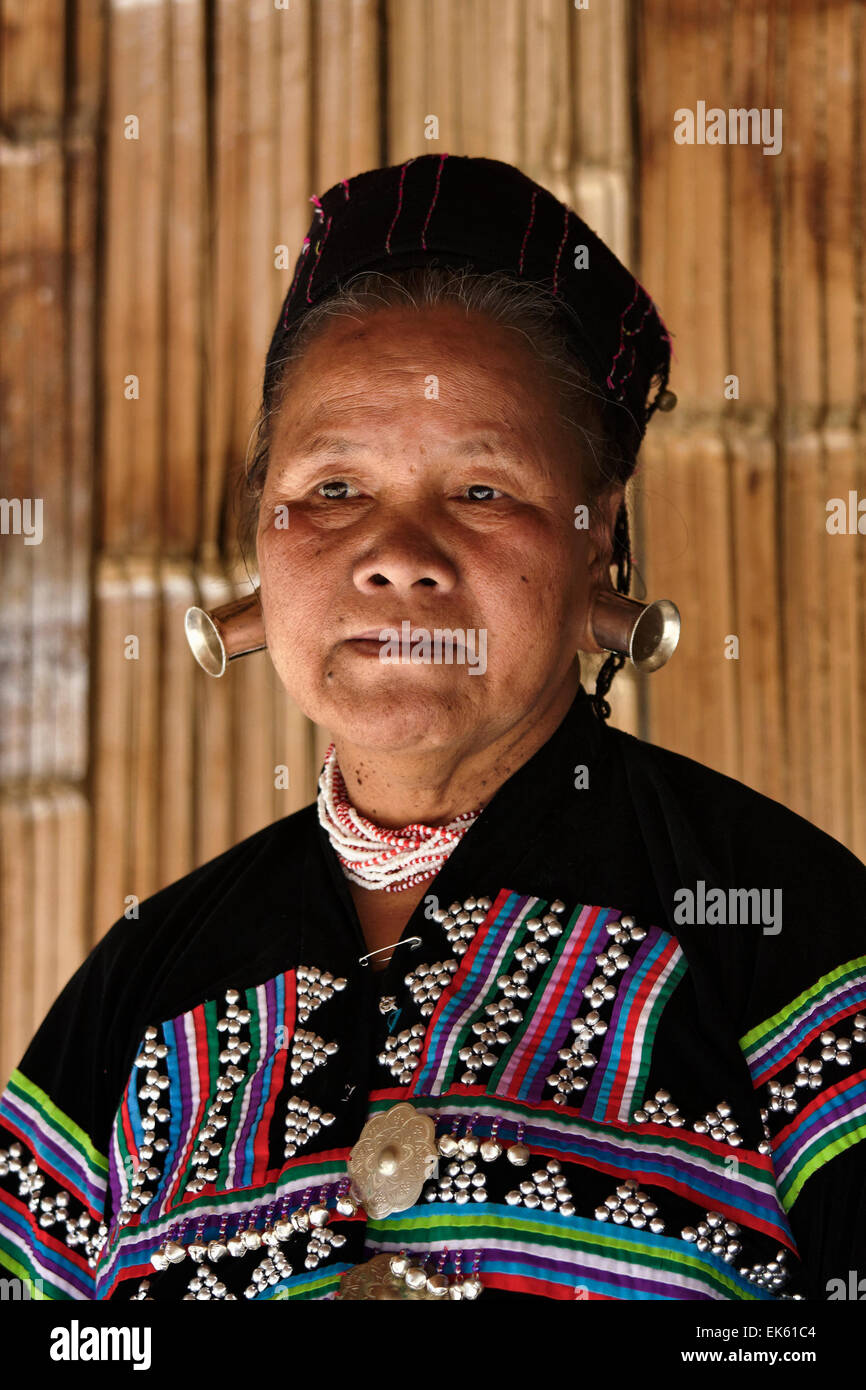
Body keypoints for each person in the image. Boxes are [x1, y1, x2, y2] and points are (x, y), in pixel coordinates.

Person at [1, 154, 863, 1302]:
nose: (396, 555)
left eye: (481, 491)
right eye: (334, 489)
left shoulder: (782, 929)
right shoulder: (139, 993)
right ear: (262, 537)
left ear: (594, 535)